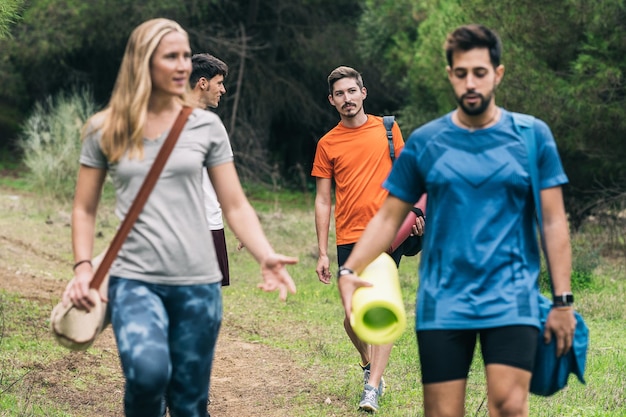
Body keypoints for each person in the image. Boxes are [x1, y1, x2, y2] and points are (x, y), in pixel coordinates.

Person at [336, 24, 577, 417]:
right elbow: (387, 217)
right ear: (450, 75)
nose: (470, 82)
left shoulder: (532, 136)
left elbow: (553, 223)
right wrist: (350, 268)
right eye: (461, 73)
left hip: (511, 296)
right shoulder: (428, 142)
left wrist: (563, 302)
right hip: (443, 299)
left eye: (480, 72)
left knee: (509, 405)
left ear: (497, 74)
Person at [63, 18, 297, 417]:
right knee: (147, 376)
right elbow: (84, 208)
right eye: (171, 56)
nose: (183, 65)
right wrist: (84, 267)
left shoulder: (206, 127)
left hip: (198, 285)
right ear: (143, 62)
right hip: (135, 278)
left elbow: (235, 203)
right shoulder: (106, 128)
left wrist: (265, 254)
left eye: (186, 56)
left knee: (189, 402)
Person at [311, 65, 425, 412]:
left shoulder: (388, 129)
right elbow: (322, 199)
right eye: (340, 94)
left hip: (388, 234)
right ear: (332, 100)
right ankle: (366, 363)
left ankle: (373, 387)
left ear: (363, 92)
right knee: (352, 316)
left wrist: (417, 215)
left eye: (352, 91)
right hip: (350, 236)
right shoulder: (327, 144)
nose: (347, 98)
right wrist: (321, 251)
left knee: (382, 302)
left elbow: (410, 176)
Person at [189, 52, 233, 286]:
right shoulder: (165, 123)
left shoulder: (214, 129)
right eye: (219, 82)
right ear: (202, 83)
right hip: (182, 227)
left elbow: (224, 185)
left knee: (205, 301)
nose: (223, 90)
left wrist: (239, 224)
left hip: (211, 223)